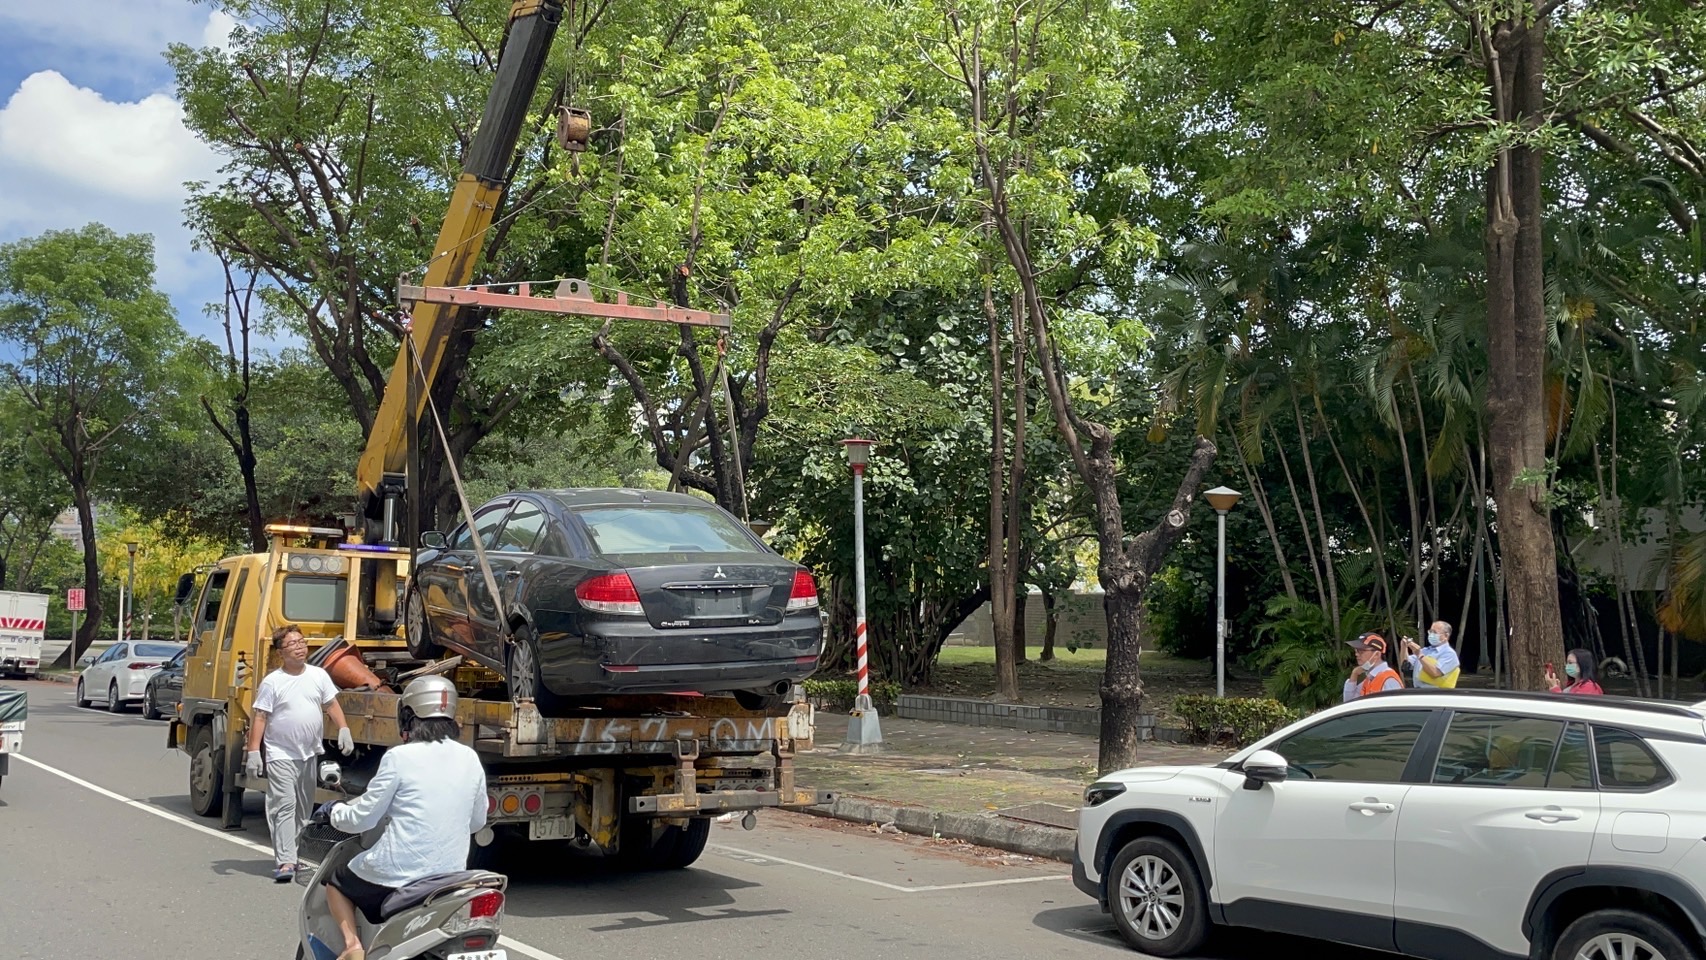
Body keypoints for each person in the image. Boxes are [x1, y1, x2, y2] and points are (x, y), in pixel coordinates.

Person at [321, 675, 488, 960]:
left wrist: (333, 812)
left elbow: (363, 818)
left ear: (407, 717)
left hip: (400, 874)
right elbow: (477, 822)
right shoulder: (469, 757)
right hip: (451, 874)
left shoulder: (399, 757)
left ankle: (352, 947)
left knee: (336, 881)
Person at [245, 625, 354, 882]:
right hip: (280, 752)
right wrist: (253, 751)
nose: (300, 646)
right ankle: (285, 861)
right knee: (285, 804)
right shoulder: (273, 682)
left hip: (308, 753)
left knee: (303, 808)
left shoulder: (318, 676)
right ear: (281, 652)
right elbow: (260, 716)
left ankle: (295, 854)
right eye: (293, 643)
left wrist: (344, 728)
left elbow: (330, 703)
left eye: (302, 642)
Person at [1400, 621, 1462, 690]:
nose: (1431, 635)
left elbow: (1435, 673)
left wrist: (1419, 654)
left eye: (1435, 632)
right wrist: (1404, 647)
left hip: (1436, 695)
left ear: (1446, 636)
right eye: (1430, 631)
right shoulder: (1425, 650)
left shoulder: (1449, 654)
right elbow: (1405, 665)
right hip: (1418, 692)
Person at [1344, 632, 1404, 702]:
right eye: (1356, 650)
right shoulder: (1370, 678)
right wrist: (1354, 674)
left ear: (1377, 654)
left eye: (1361, 651)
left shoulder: (1388, 679)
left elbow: (1395, 709)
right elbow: (1349, 702)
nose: (1357, 654)